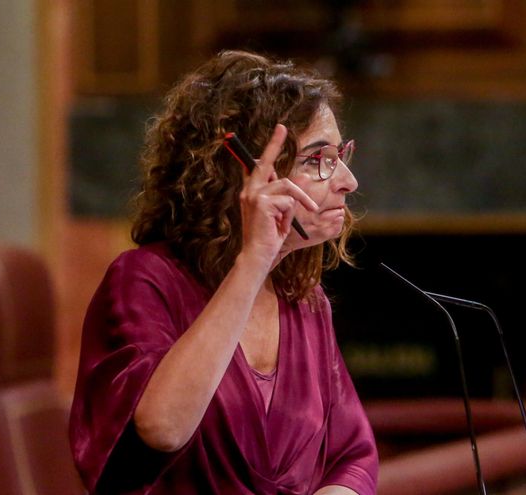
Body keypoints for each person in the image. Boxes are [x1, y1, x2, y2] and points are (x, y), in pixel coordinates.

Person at [68, 50, 378, 494]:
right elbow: (160, 430)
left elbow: (352, 455)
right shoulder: (143, 280)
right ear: (242, 177)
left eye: (340, 155)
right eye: (317, 160)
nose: (347, 180)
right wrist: (253, 261)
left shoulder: (304, 300)